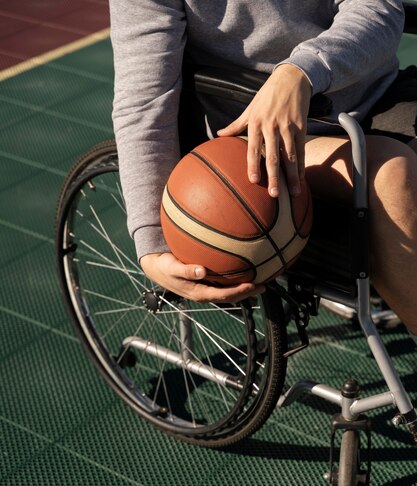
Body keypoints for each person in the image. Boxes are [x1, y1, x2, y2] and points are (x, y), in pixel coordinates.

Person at [108, 0, 417, 344]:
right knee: (391, 174)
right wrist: (152, 240)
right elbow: (145, 100)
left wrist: (299, 72)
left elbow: (378, 9)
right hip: (257, 138)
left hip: (374, 92)